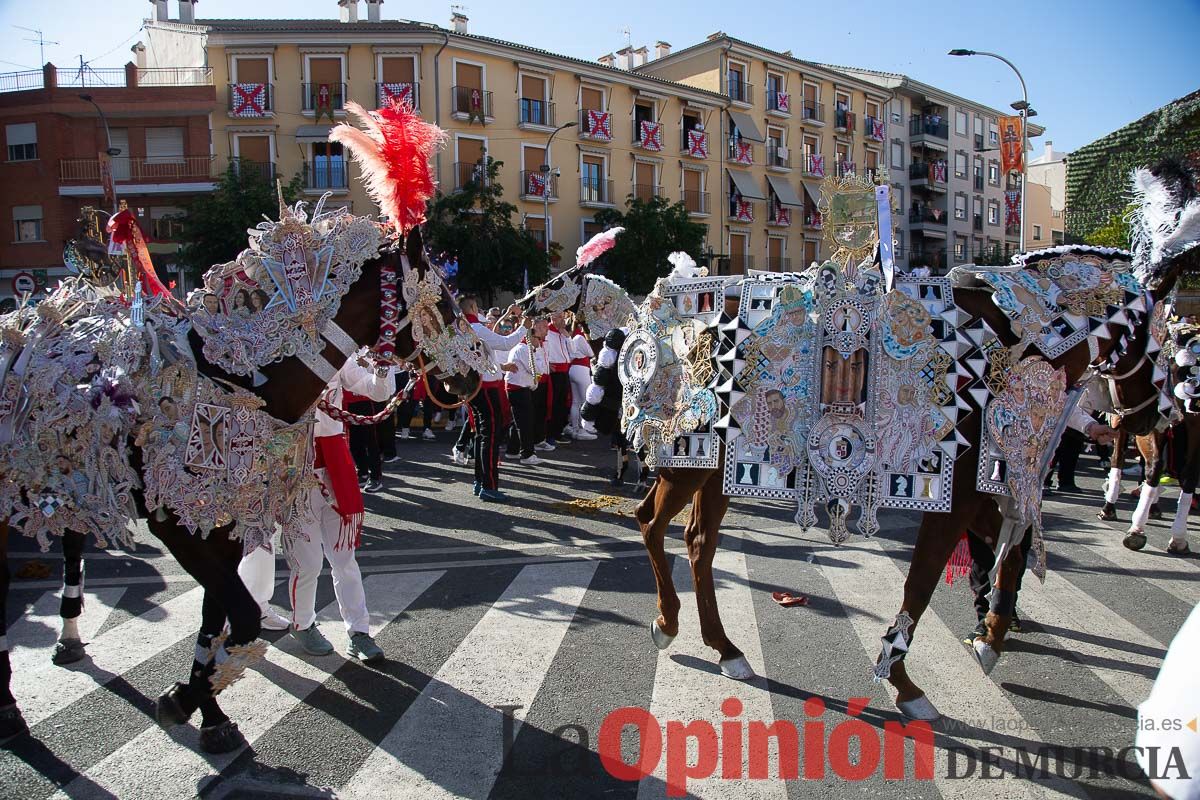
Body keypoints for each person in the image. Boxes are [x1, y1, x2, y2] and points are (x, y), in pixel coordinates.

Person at [236, 354, 386, 662]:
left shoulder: (338, 356)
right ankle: (303, 623)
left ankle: (359, 632)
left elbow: (377, 391)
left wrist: (383, 368)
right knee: (308, 563)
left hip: (336, 471)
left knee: (345, 559)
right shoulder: (275, 358)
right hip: (293, 473)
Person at [965, 408, 1117, 643]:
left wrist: (1090, 426)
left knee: (1018, 546)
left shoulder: (1034, 377)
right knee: (983, 549)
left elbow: (1059, 402)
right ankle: (985, 617)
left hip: (1025, 475)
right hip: (980, 474)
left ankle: (1006, 607)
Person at [457, 297, 530, 502]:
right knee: (490, 437)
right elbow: (505, 343)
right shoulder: (475, 329)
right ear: (472, 307)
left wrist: (507, 316)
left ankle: (480, 481)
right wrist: (523, 328)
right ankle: (488, 485)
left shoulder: (463, 328)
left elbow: (493, 338)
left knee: (482, 435)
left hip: (475, 387)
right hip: (486, 388)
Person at [343, 350, 394, 493]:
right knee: (354, 442)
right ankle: (362, 472)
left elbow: (380, 375)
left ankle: (376, 477)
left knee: (371, 441)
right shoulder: (346, 350)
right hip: (349, 402)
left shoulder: (369, 350)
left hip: (366, 401)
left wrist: (367, 366)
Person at [506, 317, 550, 467]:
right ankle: (527, 454)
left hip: (521, 387)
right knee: (525, 422)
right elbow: (538, 369)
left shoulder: (531, 347)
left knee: (518, 421)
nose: (547, 329)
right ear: (535, 329)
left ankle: (512, 450)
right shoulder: (524, 349)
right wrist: (538, 350)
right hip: (518, 388)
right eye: (544, 326)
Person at [565, 312, 598, 440]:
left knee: (576, 402)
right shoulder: (579, 337)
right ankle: (584, 428)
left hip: (573, 369)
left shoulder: (573, 336)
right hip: (581, 369)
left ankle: (575, 428)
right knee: (586, 400)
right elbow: (590, 353)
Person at [544, 311, 573, 445]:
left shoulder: (563, 333)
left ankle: (558, 431)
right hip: (554, 372)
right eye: (561, 317)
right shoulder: (547, 332)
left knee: (562, 404)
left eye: (564, 317)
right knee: (553, 404)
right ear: (553, 318)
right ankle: (550, 434)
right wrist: (547, 363)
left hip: (564, 370)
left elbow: (573, 351)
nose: (564, 320)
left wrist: (567, 337)